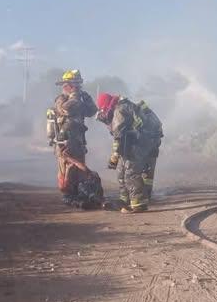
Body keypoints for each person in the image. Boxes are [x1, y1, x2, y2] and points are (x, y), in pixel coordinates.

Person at [95, 93, 163, 213]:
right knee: (121, 171)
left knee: (131, 173)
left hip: (139, 143)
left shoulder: (119, 111)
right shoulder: (125, 106)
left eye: (103, 110)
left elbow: (119, 136)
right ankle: (126, 199)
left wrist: (114, 157)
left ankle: (138, 203)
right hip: (145, 141)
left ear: (106, 106)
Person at [48, 69, 98, 205]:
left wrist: (87, 100)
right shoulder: (62, 99)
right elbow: (66, 109)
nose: (78, 88)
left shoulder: (79, 100)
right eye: (75, 85)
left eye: (78, 85)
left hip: (78, 140)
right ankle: (67, 194)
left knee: (79, 168)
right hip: (64, 141)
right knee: (66, 168)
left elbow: (92, 112)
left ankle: (78, 193)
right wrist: (75, 96)